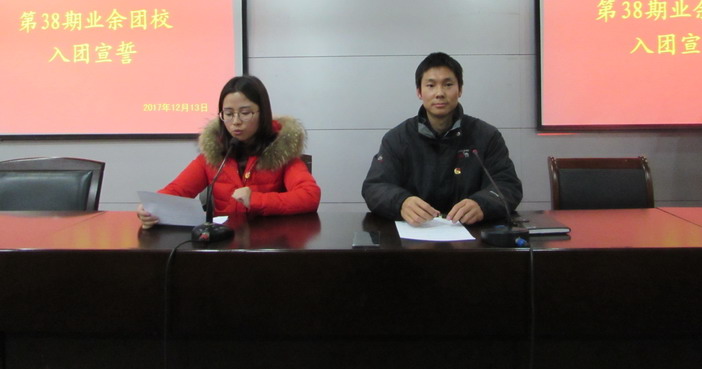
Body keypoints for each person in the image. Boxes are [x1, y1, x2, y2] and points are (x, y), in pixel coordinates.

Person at [137, 75, 320, 229]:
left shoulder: (281, 151)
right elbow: (178, 190)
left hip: (270, 241)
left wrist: (255, 199)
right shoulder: (215, 153)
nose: (236, 121)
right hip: (225, 242)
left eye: (245, 113)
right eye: (229, 114)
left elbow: (310, 196)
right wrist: (151, 207)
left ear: (262, 113)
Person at [362, 52, 522, 226]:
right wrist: (401, 202)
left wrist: (482, 204)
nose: (439, 93)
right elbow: (374, 187)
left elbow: (508, 185)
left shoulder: (486, 136)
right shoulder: (397, 139)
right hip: (415, 234)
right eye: (431, 85)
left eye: (448, 85)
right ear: (419, 92)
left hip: (471, 234)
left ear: (460, 89)